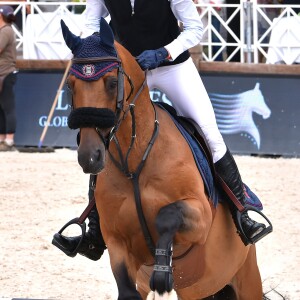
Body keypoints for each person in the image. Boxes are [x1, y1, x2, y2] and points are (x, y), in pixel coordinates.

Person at [53, 0, 271, 261]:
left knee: (209, 132)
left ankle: (242, 211)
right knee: (103, 136)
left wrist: (164, 52)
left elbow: (194, 29)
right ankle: (94, 233)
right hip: (127, 69)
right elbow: (92, 23)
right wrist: (89, 50)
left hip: (172, 68)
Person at [0, 5, 17, 152]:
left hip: (5, 73)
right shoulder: (5, 30)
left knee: (7, 107)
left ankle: (9, 140)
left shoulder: (5, 31)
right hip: (3, 73)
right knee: (2, 107)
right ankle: (2, 138)